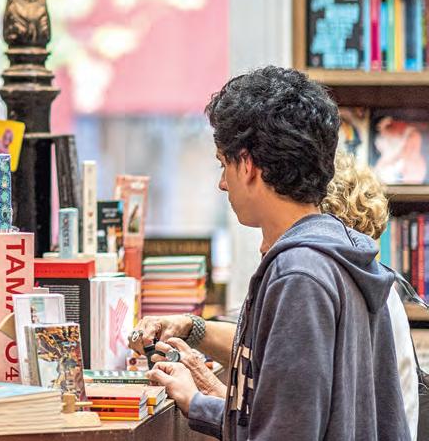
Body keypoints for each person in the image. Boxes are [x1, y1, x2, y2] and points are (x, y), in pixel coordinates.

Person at [141, 66, 407, 440]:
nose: (222, 183)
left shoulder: (299, 274)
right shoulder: (341, 256)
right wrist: (197, 402)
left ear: (248, 165)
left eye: (224, 164)